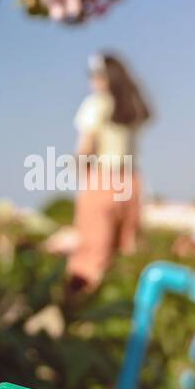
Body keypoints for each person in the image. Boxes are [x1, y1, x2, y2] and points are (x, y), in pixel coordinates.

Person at [66, 52, 152, 294]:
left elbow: (85, 148)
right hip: (131, 182)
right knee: (121, 252)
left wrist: (81, 175)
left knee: (88, 257)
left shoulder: (97, 104)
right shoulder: (132, 106)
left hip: (103, 179)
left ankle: (78, 316)